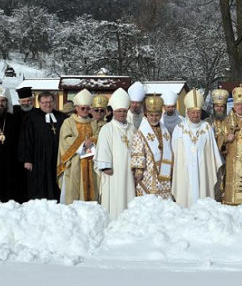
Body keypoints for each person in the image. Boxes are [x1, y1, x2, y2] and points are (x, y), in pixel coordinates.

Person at [171, 89, 222, 207]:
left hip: (203, 171)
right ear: (187, 112)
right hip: (184, 170)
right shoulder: (180, 128)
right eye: (192, 112)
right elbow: (175, 152)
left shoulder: (206, 127)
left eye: (198, 112)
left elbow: (213, 154)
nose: (195, 115)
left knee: (203, 197)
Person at [19, 91, 69, 201]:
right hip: (38, 158)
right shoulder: (31, 118)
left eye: (50, 101)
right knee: (39, 183)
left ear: (54, 102)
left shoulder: (61, 117)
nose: (48, 104)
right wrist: (27, 159)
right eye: (44, 102)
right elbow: (26, 139)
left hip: (57, 157)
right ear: (39, 103)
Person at [95, 88, 136, 219]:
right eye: (119, 111)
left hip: (129, 171)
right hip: (113, 172)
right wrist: (106, 166)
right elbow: (103, 148)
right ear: (114, 112)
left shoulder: (132, 128)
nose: (122, 114)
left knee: (129, 195)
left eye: (124, 111)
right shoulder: (107, 129)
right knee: (115, 198)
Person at [57, 89, 101, 204]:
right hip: (75, 162)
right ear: (76, 108)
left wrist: (92, 139)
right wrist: (82, 143)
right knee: (74, 190)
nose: (85, 111)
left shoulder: (93, 122)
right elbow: (65, 140)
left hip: (91, 162)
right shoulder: (68, 122)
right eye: (83, 108)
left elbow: (98, 135)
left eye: (88, 108)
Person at [131, 95, 173, 199]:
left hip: (164, 170)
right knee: (149, 200)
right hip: (148, 171)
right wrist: (139, 171)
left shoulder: (165, 131)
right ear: (147, 114)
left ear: (160, 115)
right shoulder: (141, 132)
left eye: (157, 115)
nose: (154, 118)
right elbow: (138, 152)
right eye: (151, 115)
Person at [206, 88, 230, 201]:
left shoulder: (231, 121)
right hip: (212, 158)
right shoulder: (207, 122)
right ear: (213, 107)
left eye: (221, 106)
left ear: (225, 108)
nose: (219, 109)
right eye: (217, 106)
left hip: (228, 156)